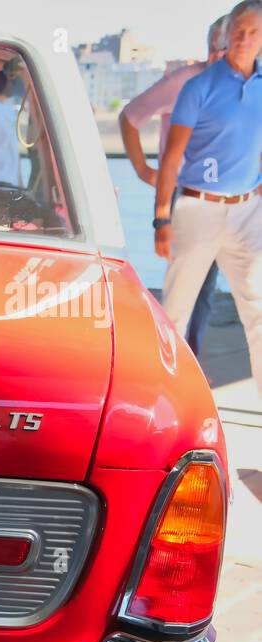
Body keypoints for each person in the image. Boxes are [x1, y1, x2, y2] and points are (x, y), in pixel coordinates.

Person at [156, 0, 262, 397]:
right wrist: (161, 219)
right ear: (226, 33)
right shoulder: (198, 87)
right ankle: (163, 402)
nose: (244, 38)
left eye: (253, 32)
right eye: (238, 30)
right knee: (174, 314)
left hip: (248, 214)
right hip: (197, 210)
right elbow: (171, 159)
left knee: (258, 316)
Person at [120, 15, 230, 355]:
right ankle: (176, 361)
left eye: (222, 46)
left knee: (206, 288)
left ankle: (188, 358)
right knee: (187, 288)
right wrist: (141, 169)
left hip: (225, 199)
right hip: (183, 196)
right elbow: (130, 116)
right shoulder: (184, 80)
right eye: (211, 44)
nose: (214, 53)